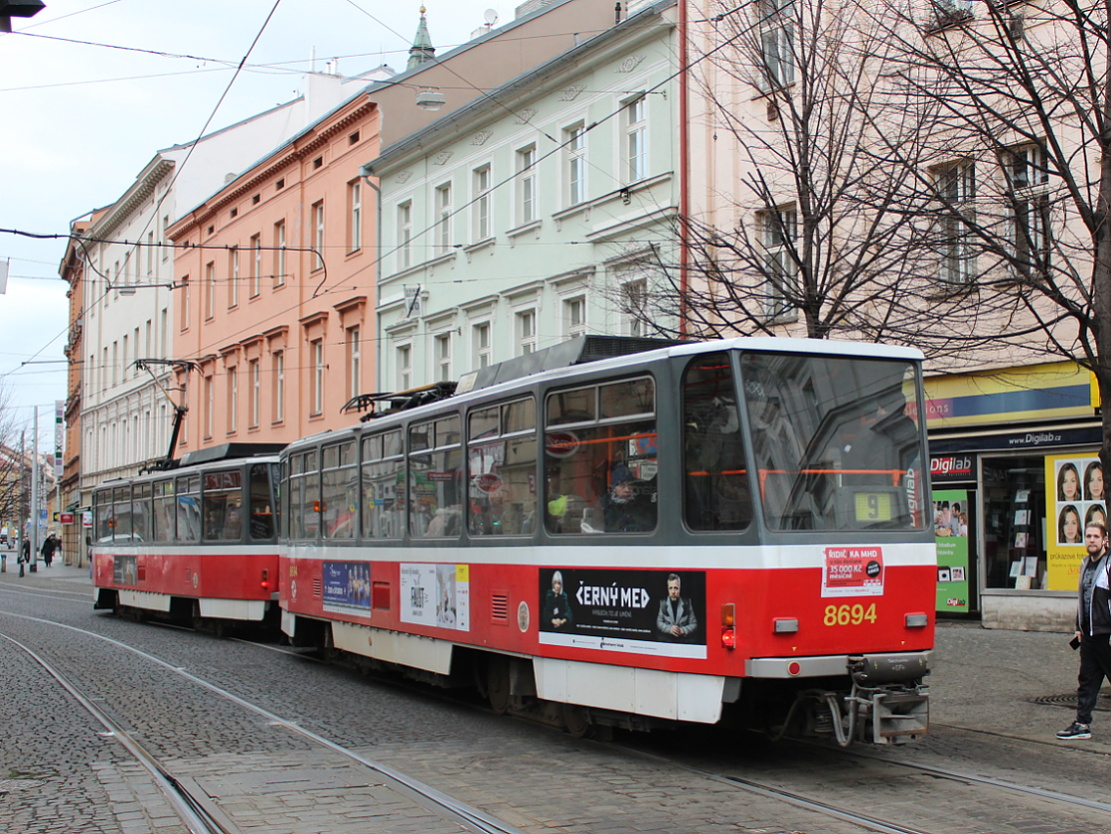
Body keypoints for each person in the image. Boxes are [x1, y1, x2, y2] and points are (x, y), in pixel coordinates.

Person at [1057, 522, 1111, 740]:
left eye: (1095, 537)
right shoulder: (1085, 564)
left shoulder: (1109, 565)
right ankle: (1081, 724)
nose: (1091, 540)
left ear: (1104, 540)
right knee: (1087, 681)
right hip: (1089, 635)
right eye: (1088, 536)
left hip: (1106, 635)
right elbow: (1083, 599)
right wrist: (1078, 628)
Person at [656, 572, 697, 641]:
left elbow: (694, 624)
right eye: (670, 588)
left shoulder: (687, 603)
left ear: (680, 588)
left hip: (683, 641)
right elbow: (659, 622)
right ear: (668, 589)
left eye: (676, 588)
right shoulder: (663, 603)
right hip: (667, 641)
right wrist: (669, 629)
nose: (673, 592)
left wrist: (683, 630)